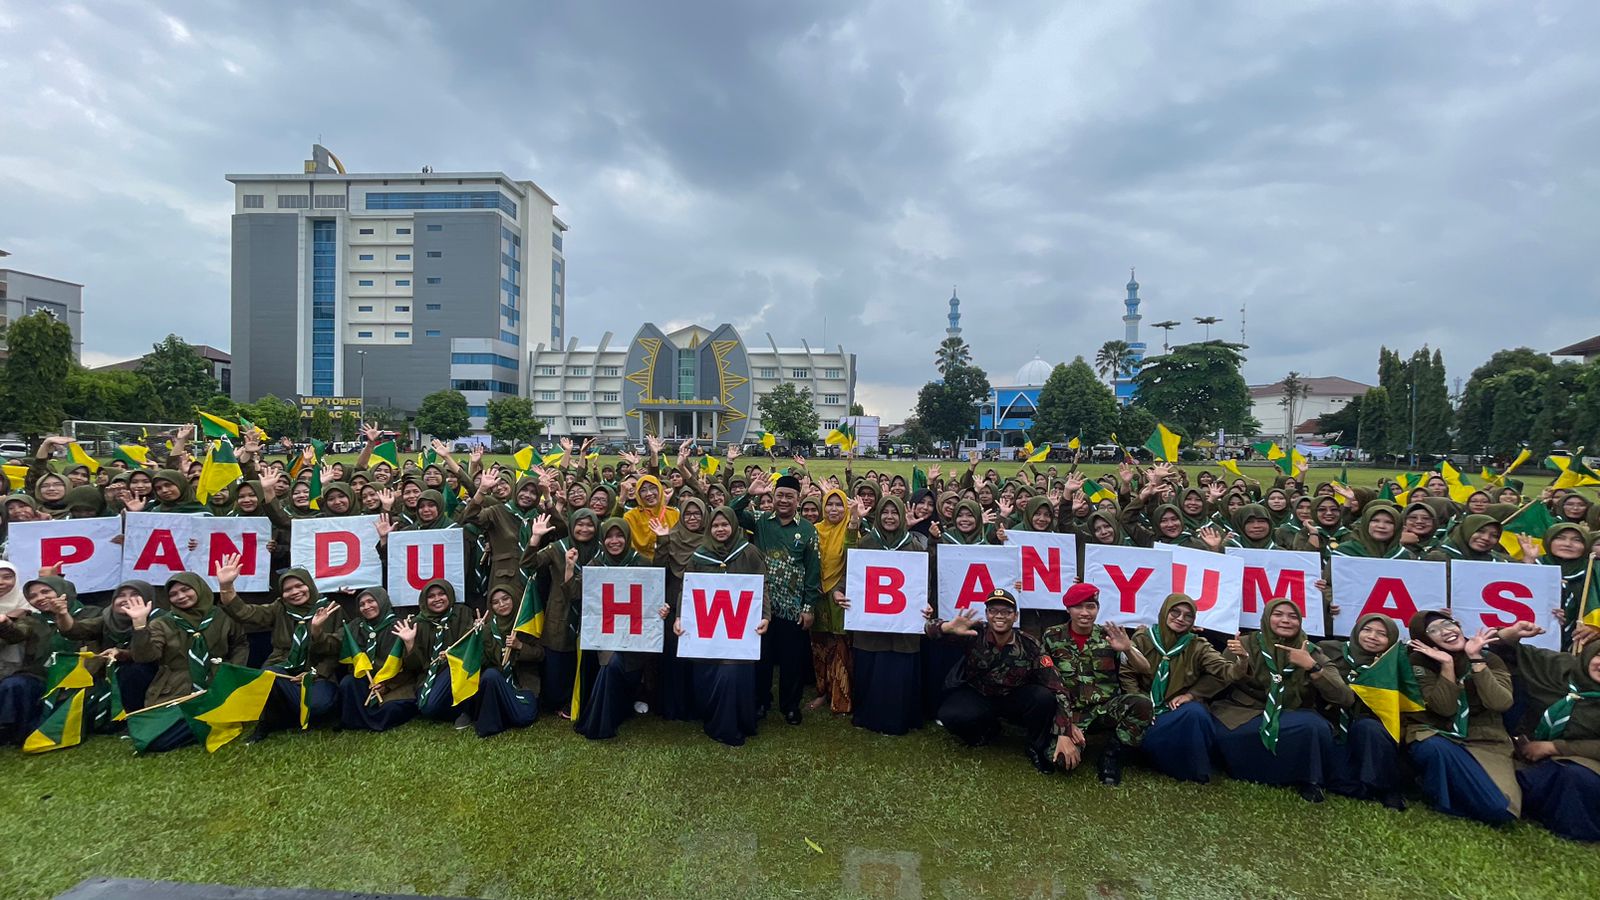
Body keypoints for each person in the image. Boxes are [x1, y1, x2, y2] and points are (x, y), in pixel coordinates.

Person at [1212, 599, 1351, 802]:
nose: (1285, 620)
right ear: (1267, 618)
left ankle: (1309, 781)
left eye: (1293, 616)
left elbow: (1345, 697)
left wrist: (1312, 667)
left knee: (1314, 727)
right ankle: (1240, 770)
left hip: (1290, 714)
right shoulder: (1244, 644)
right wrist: (1241, 663)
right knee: (1222, 728)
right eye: (1278, 615)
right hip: (1245, 712)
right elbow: (1218, 679)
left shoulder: (1312, 651)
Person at [926, 589, 1077, 774]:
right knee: (951, 714)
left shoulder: (1030, 645)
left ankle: (1036, 747)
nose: (999, 616)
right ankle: (986, 732)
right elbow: (929, 630)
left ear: (1016, 616)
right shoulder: (973, 633)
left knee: (1043, 697)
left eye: (1006, 612)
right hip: (979, 694)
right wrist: (946, 628)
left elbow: (1057, 686)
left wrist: (1064, 732)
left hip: (1013, 698)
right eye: (993, 611)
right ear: (987, 614)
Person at [1403, 610, 1518, 824]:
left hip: (1485, 739)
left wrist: (1476, 659)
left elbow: (1500, 703)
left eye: (1448, 624)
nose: (1446, 632)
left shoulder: (1488, 657)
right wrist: (1447, 666)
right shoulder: (1419, 661)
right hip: (1441, 732)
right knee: (1433, 748)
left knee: (1503, 810)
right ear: (1425, 639)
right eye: (1434, 630)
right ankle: (1443, 794)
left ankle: (1460, 786)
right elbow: (1444, 708)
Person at [1492, 621, 1600, 841]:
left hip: (1584, 761)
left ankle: (1577, 832)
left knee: (1574, 778)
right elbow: (1502, 652)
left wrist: (1554, 747)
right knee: (1506, 783)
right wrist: (1511, 634)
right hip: (1528, 754)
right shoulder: (1558, 666)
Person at [214, 559, 343, 741]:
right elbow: (245, 612)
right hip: (283, 669)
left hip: (316, 672)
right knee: (268, 675)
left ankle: (298, 715)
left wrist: (315, 670)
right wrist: (226, 586)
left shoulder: (330, 609)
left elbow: (337, 650)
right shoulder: (279, 608)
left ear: (309, 585)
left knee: (318, 705)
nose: (295, 592)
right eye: (287, 589)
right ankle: (266, 723)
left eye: (299, 586)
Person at [1039, 584, 1152, 784]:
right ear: (1068, 609)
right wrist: (1065, 728)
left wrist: (1127, 649)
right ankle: (1074, 740)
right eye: (1078, 607)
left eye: (1090, 606)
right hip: (1071, 711)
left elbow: (1145, 668)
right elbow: (1049, 682)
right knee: (1062, 763)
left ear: (1097, 609)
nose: (1085, 613)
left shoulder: (1109, 636)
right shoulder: (1052, 636)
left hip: (1105, 708)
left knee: (1141, 703)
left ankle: (1111, 756)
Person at [127, 572, 251, 752]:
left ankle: (203, 723)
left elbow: (240, 644)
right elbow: (145, 656)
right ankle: (202, 724)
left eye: (186, 590)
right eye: (173, 594)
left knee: (176, 732)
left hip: (216, 685)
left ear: (199, 588)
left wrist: (232, 672)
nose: (181, 597)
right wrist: (139, 626)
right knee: (156, 740)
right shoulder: (162, 623)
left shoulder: (223, 616)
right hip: (176, 689)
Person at [1120, 593, 1237, 783]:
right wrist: (1141, 705)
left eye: (1188, 615)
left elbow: (1225, 672)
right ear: (1165, 611)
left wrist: (1193, 694)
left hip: (1172, 710)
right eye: (1175, 612)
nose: (1181, 619)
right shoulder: (1143, 639)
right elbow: (1128, 674)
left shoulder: (1197, 645)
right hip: (1143, 710)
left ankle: (1193, 771)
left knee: (1196, 714)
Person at [679, 505, 770, 746]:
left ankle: (738, 722)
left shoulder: (749, 553)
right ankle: (713, 719)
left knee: (733, 674)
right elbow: (687, 589)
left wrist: (765, 616)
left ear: (734, 526)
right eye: (716, 525)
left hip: (738, 630)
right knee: (711, 674)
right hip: (708, 630)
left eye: (725, 524)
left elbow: (763, 587)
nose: (720, 529)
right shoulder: (699, 555)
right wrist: (680, 617)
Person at [836, 495, 928, 735]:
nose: (889, 517)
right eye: (885, 512)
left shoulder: (914, 545)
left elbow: (922, 583)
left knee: (898, 673)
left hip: (903, 627)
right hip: (871, 625)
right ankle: (868, 716)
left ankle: (899, 719)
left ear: (900, 515)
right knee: (871, 669)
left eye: (894, 512)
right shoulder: (866, 542)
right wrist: (839, 592)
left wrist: (926, 604)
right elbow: (852, 574)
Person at [736, 475, 821, 724]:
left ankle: (790, 705)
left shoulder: (807, 530)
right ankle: (761, 701)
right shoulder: (760, 521)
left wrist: (808, 608)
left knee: (791, 661)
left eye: (789, 497)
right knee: (762, 658)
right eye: (779, 495)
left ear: (798, 499)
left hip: (793, 608)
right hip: (762, 606)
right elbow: (729, 513)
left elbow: (813, 570)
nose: (783, 501)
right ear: (772, 497)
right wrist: (749, 494)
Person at [1317, 614, 1408, 809]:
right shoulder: (1329, 649)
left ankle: (1387, 789)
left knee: (1369, 728)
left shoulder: (1396, 663)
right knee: (1343, 782)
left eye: (1382, 634)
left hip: (1368, 727)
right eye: (1367, 630)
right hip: (1332, 722)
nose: (1373, 636)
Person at [337, 588, 419, 732]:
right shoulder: (356, 626)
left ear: (382, 601)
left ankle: (361, 720)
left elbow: (412, 667)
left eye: (371, 601)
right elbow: (334, 642)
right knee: (348, 683)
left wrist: (387, 686)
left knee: (391, 708)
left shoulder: (400, 626)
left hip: (395, 683)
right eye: (362, 604)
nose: (366, 607)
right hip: (366, 682)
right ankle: (365, 719)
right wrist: (317, 631)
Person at [472, 583, 541, 738]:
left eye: (505, 599)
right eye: (496, 602)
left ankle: (507, 712)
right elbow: (480, 662)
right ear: (491, 607)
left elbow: (540, 654)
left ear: (513, 599)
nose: (502, 604)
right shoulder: (488, 629)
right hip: (498, 685)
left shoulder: (525, 624)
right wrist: (477, 637)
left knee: (524, 718)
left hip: (522, 685)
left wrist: (520, 646)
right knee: (490, 675)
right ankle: (490, 725)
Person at [809, 488, 855, 715]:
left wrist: (855, 520)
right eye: (830, 504)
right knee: (819, 646)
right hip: (818, 594)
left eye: (839, 505)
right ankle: (822, 692)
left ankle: (841, 698)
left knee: (839, 647)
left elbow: (853, 557)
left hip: (841, 596)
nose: (834, 509)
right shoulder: (815, 530)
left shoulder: (851, 529)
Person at [410, 579, 479, 725]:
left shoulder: (462, 613)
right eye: (431, 596)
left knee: (457, 668)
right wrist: (409, 643)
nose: (437, 599)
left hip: (456, 671)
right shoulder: (418, 623)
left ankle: (466, 710)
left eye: (441, 594)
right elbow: (415, 665)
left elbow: (468, 648)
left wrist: (451, 655)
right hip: (430, 674)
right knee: (427, 708)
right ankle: (458, 711)